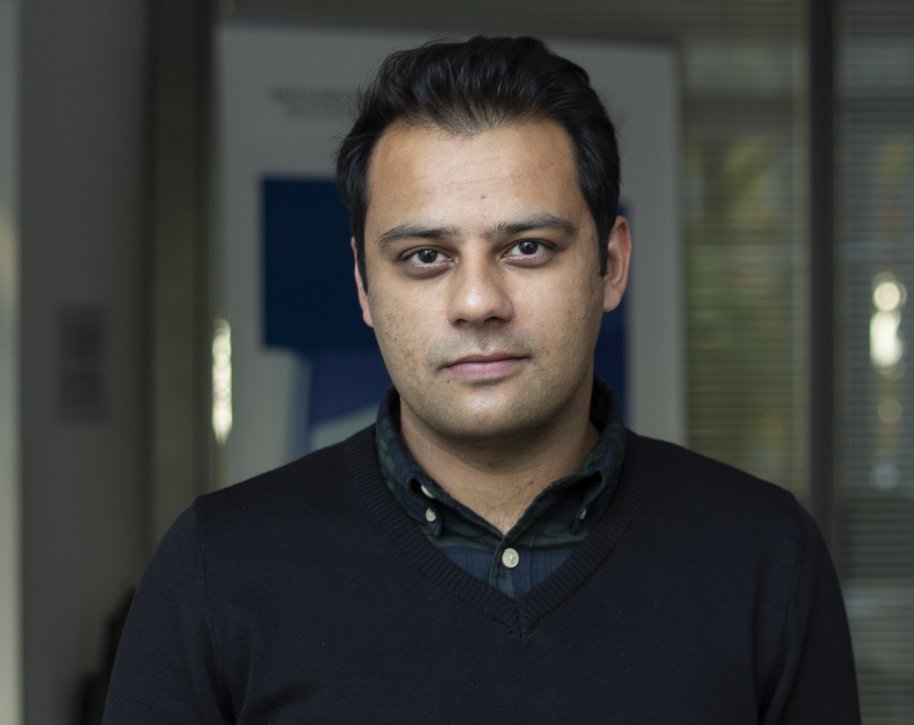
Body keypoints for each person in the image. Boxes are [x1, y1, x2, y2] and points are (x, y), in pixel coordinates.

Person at [104, 36, 861, 723]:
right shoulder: (218, 566)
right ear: (365, 287)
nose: (477, 302)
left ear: (612, 263)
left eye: (527, 247)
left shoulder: (763, 555)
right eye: (426, 256)